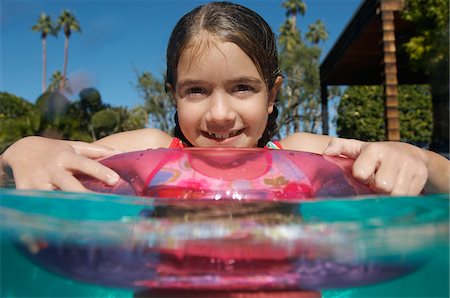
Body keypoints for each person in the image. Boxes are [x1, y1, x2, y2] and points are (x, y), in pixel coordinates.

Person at [1, 1, 448, 196]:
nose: (219, 114)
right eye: (196, 90)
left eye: (242, 88)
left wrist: (418, 160)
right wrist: (20, 153)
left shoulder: (299, 154)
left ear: (272, 95)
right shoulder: (150, 151)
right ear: (173, 95)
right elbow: (31, 170)